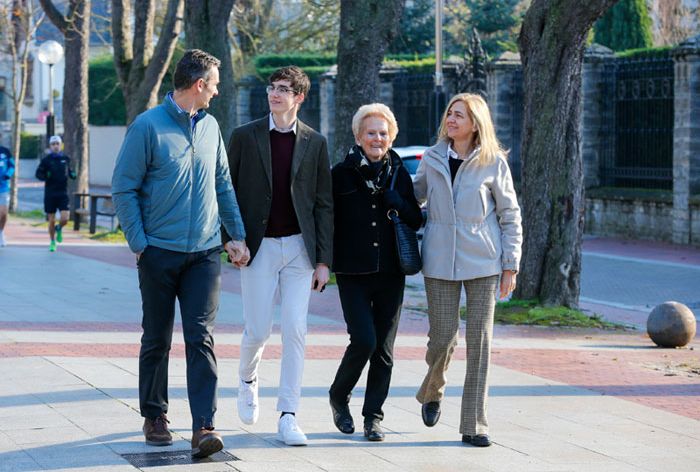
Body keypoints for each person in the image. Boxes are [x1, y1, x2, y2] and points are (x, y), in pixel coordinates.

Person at [112, 49, 249, 459]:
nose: (218, 92)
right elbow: (124, 186)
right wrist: (140, 243)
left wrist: (236, 235)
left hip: (204, 254)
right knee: (156, 338)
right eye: (215, 84)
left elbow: (222, 184)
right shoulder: (148, 127)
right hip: (159, 252)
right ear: (198, 84)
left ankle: (204, 425)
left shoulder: (211, 128)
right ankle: (155, 416)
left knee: (200, 338)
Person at [226, 65, 333, 446]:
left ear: (299, 97)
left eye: (284, 89)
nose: (275, 94)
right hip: (259, 248)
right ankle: (247, 379)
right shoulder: (244, 136)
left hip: (300, 250)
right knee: (258, 329)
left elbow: (323, 204)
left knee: (295, 330)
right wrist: (230, 238)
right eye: (272, 87)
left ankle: (288, 414)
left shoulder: (315, 142)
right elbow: (228, 191)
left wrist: (323, 260)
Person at [414, 93, 522, 447]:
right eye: (449, 113)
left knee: (481, 343)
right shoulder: (431, 158)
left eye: (459, 115)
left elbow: (510, 215)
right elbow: (414, 197)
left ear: (476, 123)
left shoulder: (494, 162)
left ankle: (474, 424)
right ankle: (433, 391)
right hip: (439, 261)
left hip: (484, 263)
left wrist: (511, 265)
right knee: (442, 339)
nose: (452, 119)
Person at [328, 104, 422, 442]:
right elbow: (326, 221)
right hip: (352, 270)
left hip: (391, 272)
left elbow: (416, 219)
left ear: (391, 137)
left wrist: (397, 200)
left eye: (383, 133)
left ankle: (373, 417)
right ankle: (339, 395)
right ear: (358, 136)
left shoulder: (399, 173)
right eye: (371, 132)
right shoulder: (340, 173)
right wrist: (323, 262)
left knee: (383, 349)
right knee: (364, 340)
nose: (377, 138)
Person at [35, 135, 75, 252]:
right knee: (51, 220)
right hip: (50, 194)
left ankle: (59, 228)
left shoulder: (66, 159)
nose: (55, 146)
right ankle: (52, 242)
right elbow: (38, 174)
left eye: (57, 144)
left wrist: (73, 174)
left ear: (61, 145)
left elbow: (70, 171)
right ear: (50, 146)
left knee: (65, 218)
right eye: (53, 144)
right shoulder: (46, 160)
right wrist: (45, 176)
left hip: (63, 193)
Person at [0, 138, 15, 247]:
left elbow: (12, 165)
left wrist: (8, 174)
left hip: (3, 187)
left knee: (4, 213)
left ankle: (1, 233)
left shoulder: (5, 151)